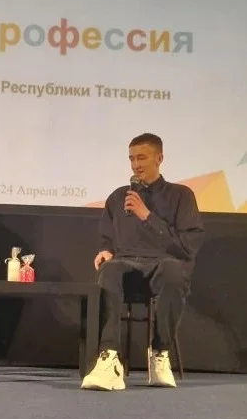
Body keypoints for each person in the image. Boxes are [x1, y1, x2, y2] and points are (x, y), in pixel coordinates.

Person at [81, 133, 204, 391]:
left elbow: (187, 247)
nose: (135, 165)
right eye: (131, 159)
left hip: (163, 265)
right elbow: (107, 239)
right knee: (108, 270)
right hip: (126, 264)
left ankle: (160, 352)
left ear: (159, 158)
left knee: (173, 271)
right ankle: (109, 358)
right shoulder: (118, 197)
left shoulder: (181, 196)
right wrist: (105, 251)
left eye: (142, 158)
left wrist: (147, 216)